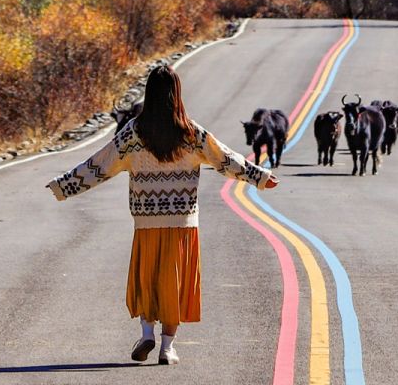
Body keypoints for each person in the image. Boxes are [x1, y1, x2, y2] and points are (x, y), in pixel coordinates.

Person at [47, 63, 278, 364]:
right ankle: (167, 348)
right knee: (175, 284)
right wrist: (259, 177)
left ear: (149, 94)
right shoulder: (191, 133)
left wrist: (64, 185)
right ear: (176, 94)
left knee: (148, 280)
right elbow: (225, 159)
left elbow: (99, 164)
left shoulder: (133, 134)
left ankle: (146, 334)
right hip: (182, 222)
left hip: (146, 222)